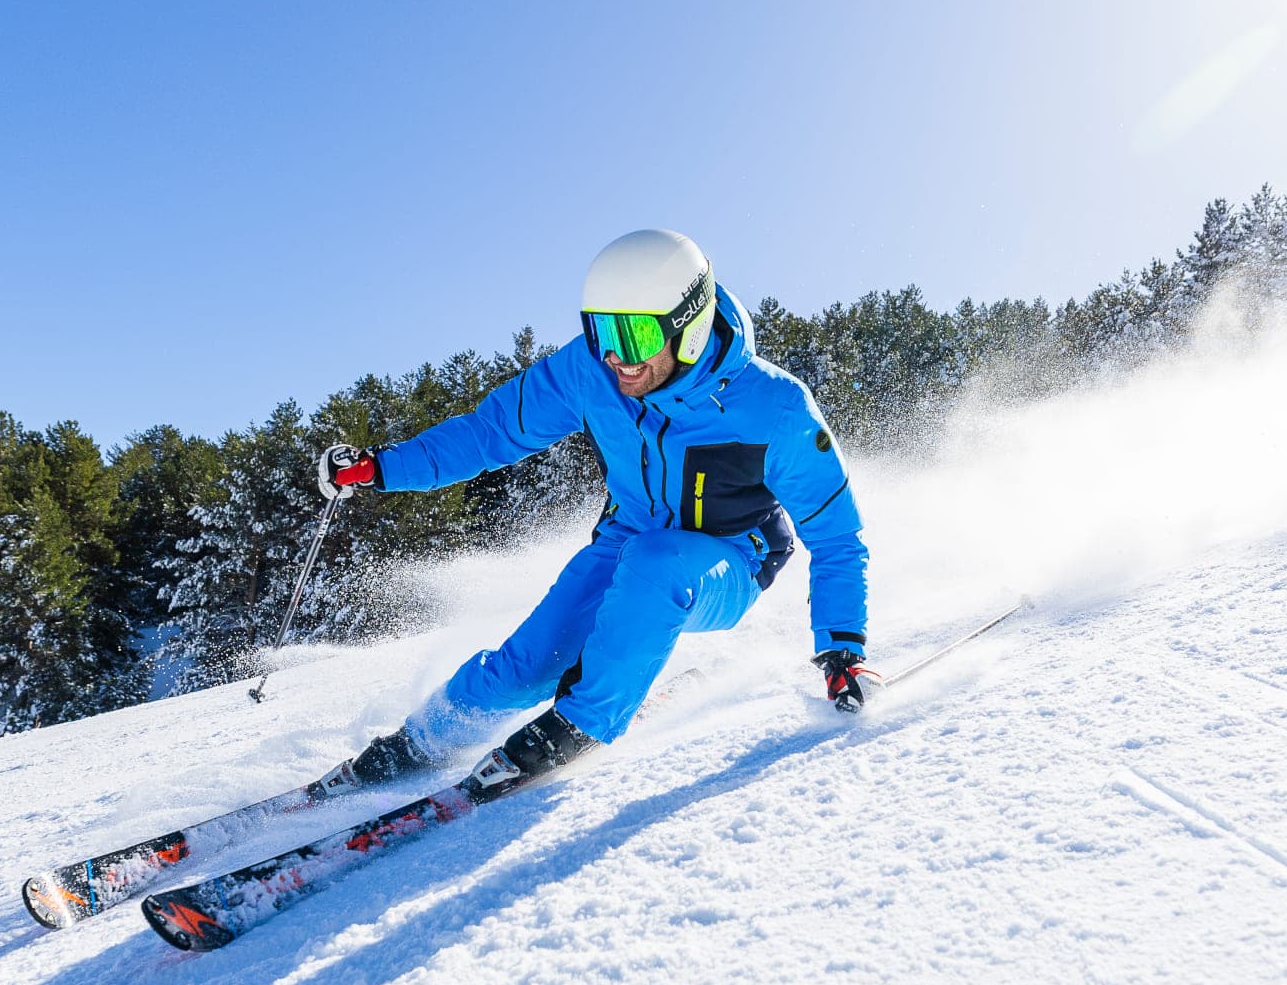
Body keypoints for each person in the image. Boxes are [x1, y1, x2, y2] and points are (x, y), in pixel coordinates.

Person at [316, 229, 874, 790]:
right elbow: (492, 432)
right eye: (601, 330)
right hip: (626, 538)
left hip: (732, 557)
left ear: (690, 324)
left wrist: (842, 649)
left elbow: (836, 537)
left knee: (658, 565)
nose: (615, 356)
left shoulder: (775, 408)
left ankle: (580, 725)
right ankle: (420, 742)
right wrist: (384, 467)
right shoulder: (592, 372)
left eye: (633, 336)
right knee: (524, 667)